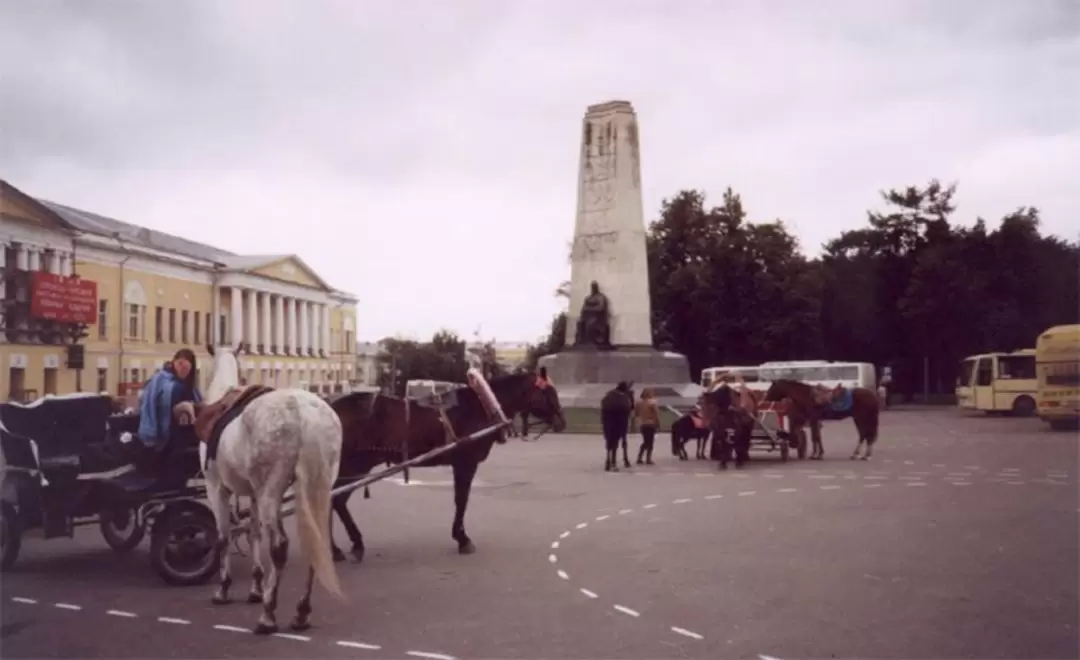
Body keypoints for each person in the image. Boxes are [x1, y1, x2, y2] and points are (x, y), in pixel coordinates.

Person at [106, 348, 203, 472]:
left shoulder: (189, 386)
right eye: (180, 364)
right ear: (174, 362)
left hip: (184, 435)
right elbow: (153, 402)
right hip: (164, 435)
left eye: (186, 366)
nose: (182, 369)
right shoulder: (162, 380)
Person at [600, 381, 633, 472]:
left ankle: (608, 461)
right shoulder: (623, 398)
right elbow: (628, 408)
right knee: (617, 442)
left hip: (608, 422)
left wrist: (603, 421)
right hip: (620, 422)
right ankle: (615, 462)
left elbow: (603, 408)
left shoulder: (608, 396)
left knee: (609, 442)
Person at [633, 388, 660, 465]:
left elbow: (636, 414)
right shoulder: (652, 403)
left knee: (645, 442)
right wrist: (658, 424)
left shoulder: (638, 403)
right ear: (649, 394)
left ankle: (639, 457)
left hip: (642, 424)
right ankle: (648, 459)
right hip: (651, 424)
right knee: (650, 442)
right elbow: (656, 415)